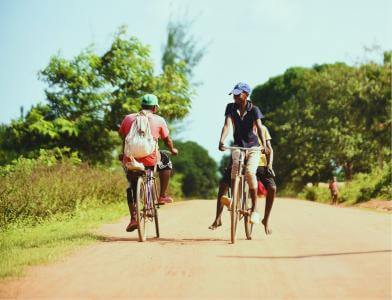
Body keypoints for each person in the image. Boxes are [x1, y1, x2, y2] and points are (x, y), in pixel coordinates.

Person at [118, 94, 178, 232]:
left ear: (141, 106)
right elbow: (167, 140)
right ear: (155, 108)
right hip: (150, 158)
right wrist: (172, 149)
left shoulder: (128, 118)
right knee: (166, 162)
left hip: (130, 159)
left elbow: (124, 136)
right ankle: (162, 195)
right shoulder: (159, 120)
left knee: (132, 186)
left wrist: (124, 154)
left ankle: (133, 218)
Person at [209, 125, 276, 235]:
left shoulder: (262, 129)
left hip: (260, 164)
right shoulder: (239, 127)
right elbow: (236, 149)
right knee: (223, 184)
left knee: (272, 187)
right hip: (240, 162)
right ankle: (218, 218)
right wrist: (229, 164)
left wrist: (270, 165)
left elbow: (270, 149)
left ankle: (266, 220)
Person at [218, 82, 269, 225]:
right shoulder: (230, 107)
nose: (235, 96)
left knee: (250, 173)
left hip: (253, 148)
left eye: (238, 94)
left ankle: (255, 210)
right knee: (234, 169)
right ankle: (233, 198)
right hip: (238, 146)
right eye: (234, 94)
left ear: (246, 95)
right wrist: (221, 140)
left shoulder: (254, 109)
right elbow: (227, 125)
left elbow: (259, 127)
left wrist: (264, 145)